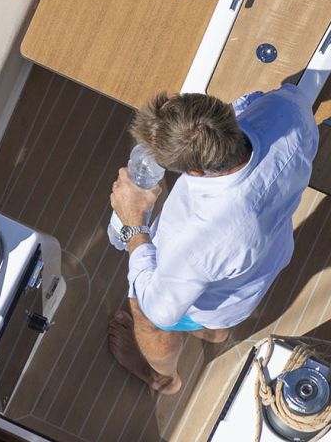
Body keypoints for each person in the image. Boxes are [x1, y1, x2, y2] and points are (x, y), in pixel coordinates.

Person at [105, 85, 317, 395]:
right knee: (218, 315)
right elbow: (258, 99)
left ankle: (163, 379)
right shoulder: (290, 110)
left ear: (194, 170)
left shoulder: (200, 242)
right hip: (267, 257)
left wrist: (134, 222)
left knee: (145, 314)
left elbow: (158, 310)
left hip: (215, 281)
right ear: (228, 114)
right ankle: (216, 331)